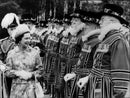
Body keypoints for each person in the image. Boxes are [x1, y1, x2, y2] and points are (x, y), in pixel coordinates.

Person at [77, 4, 130, 98]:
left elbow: (121, 74)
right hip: (97, 87)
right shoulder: (107, 38)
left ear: (112, 21)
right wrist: (88, 78)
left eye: (103, 19)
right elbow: (100, 66)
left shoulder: (118, 40)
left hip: (106, 90)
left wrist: (117, 95)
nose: (99, 22)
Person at [64, 11, 101, 98]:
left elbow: (98, 65)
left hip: (89, 79)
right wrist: (74, 73)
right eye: (85, 24)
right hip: (80, 76)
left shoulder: (98, 42)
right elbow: (82, 59)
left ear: (96, 27)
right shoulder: (87, 40)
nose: (85, 26)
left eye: (88, 25)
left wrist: (88, 77)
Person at [5, 24, 44, 98]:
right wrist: (17, 73)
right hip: (16, 91)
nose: (29, 41)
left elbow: (41, 71)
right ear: (19, 39)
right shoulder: (12, 54)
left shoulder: (34, 53)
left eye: (29, 38)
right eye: (26, 38)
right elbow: (7, 72)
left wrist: (31, 75)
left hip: (31, 90)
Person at [0, 13, 20, 97]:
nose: (13, 31)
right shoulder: (3, 42)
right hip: (7, 74)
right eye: (11, 29)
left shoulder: (24, 41)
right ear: (7, 30)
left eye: (15, 28)